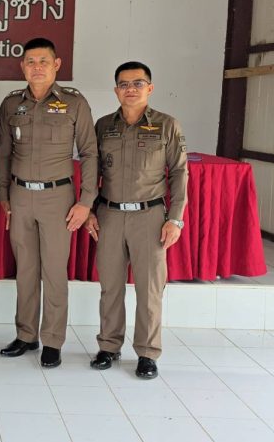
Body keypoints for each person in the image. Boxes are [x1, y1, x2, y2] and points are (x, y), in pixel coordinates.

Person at [0, 37, 99, 369]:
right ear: (22, 66)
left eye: (43, 61)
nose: (36, 67)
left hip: (58, 198)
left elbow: (90, 153)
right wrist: (3, 196)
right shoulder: (12, 104)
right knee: (26, 270)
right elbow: (4, 154)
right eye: (30, 61)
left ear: (56, 65)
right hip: (20, 196)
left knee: (54, 271)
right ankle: (26, 335)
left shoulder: (74, 103)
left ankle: (52, 340)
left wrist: (86, 202)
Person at [86, 61, 188, 380]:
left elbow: (179, 173)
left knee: (149, 289)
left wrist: (176, 219)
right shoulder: (103, 126)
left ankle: (147, 353)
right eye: (124, 84)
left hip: (150, 217)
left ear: (150, 88)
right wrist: (89, 210)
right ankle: (109, 346)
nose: (131, 89)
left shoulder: (167, 125)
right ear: (116, 90)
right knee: (110, 287)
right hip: (110, 215)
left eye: (138, 83)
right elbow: (92, 172)